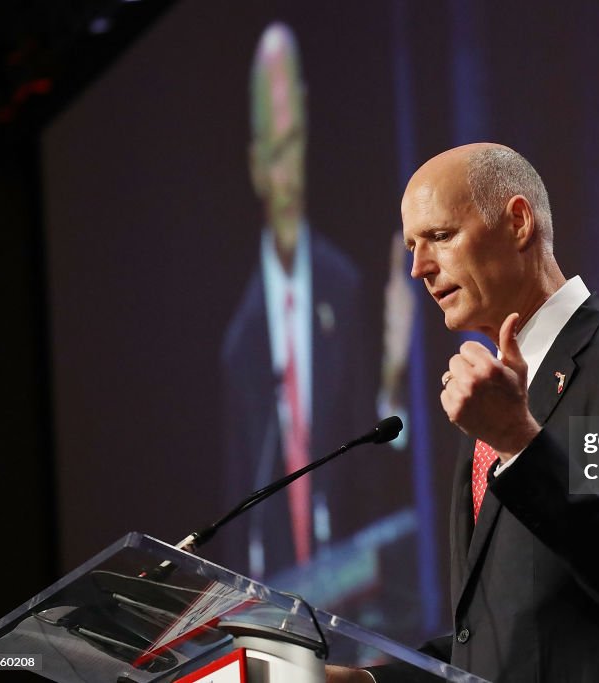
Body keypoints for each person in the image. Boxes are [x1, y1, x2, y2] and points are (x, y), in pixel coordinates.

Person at [329, 143, 599, 682]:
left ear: (519, 223)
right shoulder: (501, 405)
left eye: (439, 236)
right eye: (412, 246)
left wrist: (519, 443)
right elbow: (497, 642)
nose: (418, 268)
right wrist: (362, 682)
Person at [219, 23, 401, 586]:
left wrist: (392, 381)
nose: (288, 176)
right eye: (275, 154)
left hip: (361, 594)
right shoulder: (238, 341)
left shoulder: (346, 287)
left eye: (295, 143)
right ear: (254, 167)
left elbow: (381, 468)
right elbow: (233, 517)